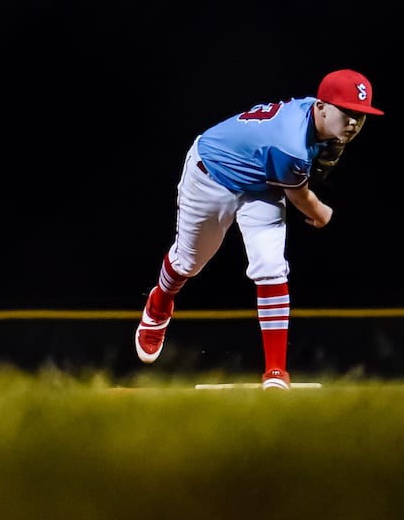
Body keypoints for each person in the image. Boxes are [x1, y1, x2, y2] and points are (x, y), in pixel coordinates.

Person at [134, 68, 382, 390]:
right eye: (347, 112)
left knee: (271, 267)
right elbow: (302, 196)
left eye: (360, 116)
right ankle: (160, 302)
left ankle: (276, 372)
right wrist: (322, 213)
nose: (353, 123)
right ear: (320, 106)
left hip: (262, 183)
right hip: (212, 174)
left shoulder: (315, 123)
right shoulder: (291, 143)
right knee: (188, 262)